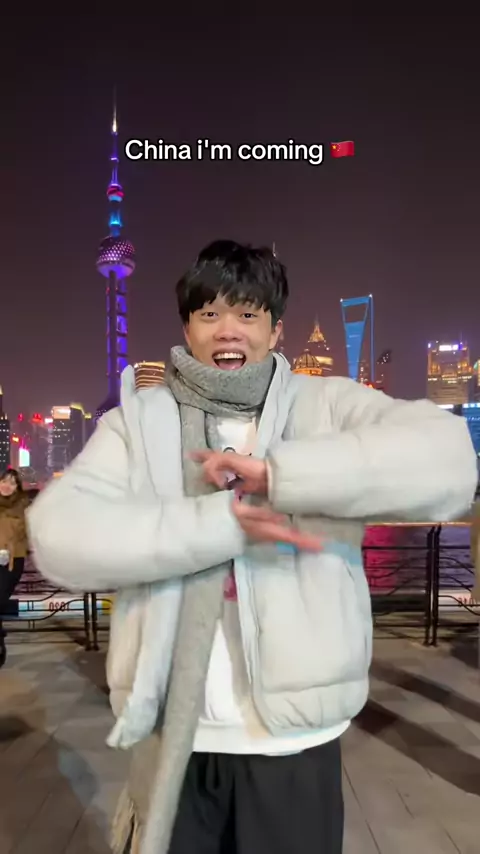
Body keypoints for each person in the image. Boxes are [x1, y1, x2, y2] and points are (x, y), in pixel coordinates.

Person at [27, 240, 477, 854]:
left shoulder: (326, 406)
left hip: (292, 743)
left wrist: (282, 477)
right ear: (187, 327)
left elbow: (450, 462)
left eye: (247, 313)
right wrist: (224, 524)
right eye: (209, 314)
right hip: (172, 741)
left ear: (275, 329)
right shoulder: (137, 423)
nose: (228, 330)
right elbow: (57, 534)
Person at [0, 468, 29, 667]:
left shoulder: (23, 506)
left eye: (12, 483)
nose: (7, 486)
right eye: (4, 481)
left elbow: (27, 533)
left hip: (13, 560)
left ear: (17, 487)